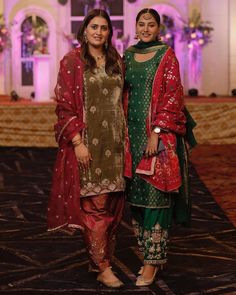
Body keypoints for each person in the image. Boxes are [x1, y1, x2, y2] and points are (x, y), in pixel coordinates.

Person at [47, 9, 126, 288]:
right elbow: (64, 105)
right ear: (84, 30)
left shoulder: (116, 60)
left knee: (114, 207)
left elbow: (122, 102)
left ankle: (100, 259)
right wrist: (77, 141)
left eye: (104, 28)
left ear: (109, 33)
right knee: (95, 206)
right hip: (89, 146)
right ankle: (103, 267)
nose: (99, 32)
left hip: (116, 146)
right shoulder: (72, 61)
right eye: (94, 27)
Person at [123, 8, 197, 286]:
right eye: (141, 24)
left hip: (159, 138)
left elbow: (172, 96)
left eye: (150, 25)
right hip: (131, 138)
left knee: (156, 198)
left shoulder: (166, 55)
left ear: (158, 28)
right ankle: (149, 256)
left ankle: (152, 263)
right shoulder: (128, 55)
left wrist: (156, 131)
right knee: (137, 199)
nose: (145, 29)